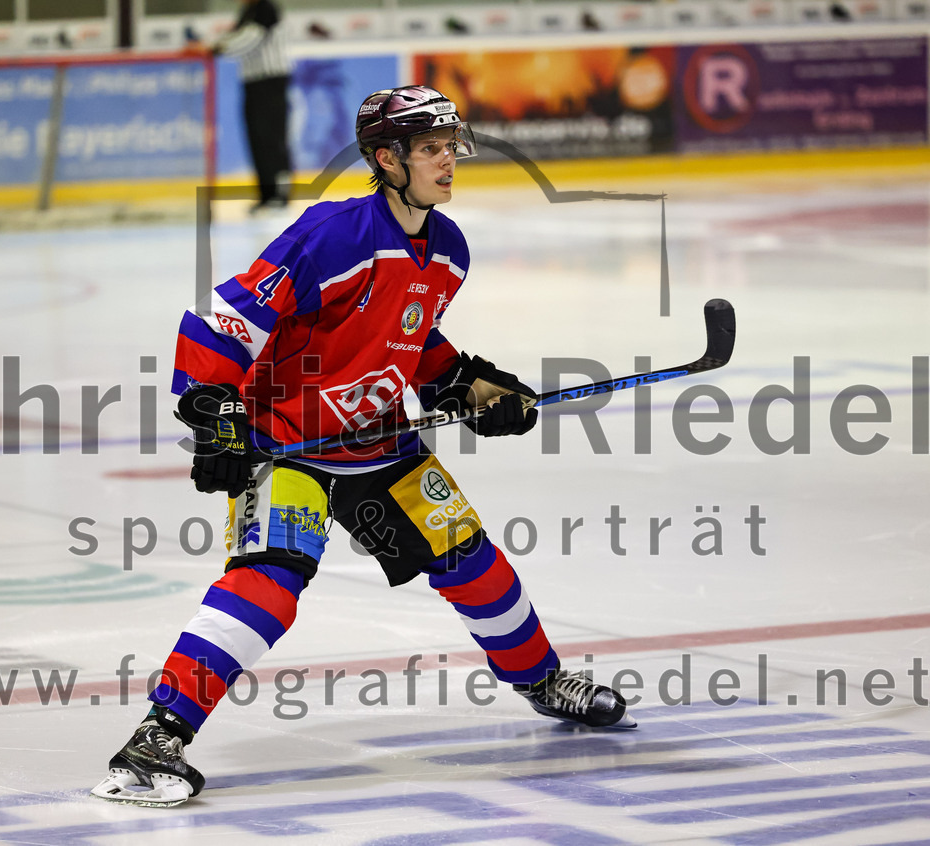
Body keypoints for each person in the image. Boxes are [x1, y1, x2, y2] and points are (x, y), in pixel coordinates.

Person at [91, 85, 634, 808]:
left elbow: (411, 341)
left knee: (474, 565)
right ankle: (157, 737)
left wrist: (472, 390)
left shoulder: (449, 250)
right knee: (268, 581)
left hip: (382, 445)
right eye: (432, 149)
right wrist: (213, 411)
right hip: (287, 446)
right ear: (388, 158)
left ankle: (541, 682)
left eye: (452, 147)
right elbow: (231, 321)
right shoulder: (331, 234)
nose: (449, 161)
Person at [215, 0, 293, 212]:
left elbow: (249, 39)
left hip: (270, 81)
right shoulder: (248, 11)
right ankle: (267, 193)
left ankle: (281, 193)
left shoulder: (265, 9)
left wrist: (216, 48)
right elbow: (237, 36)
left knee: (272, 138)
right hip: (253, 83)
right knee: (257, 138)